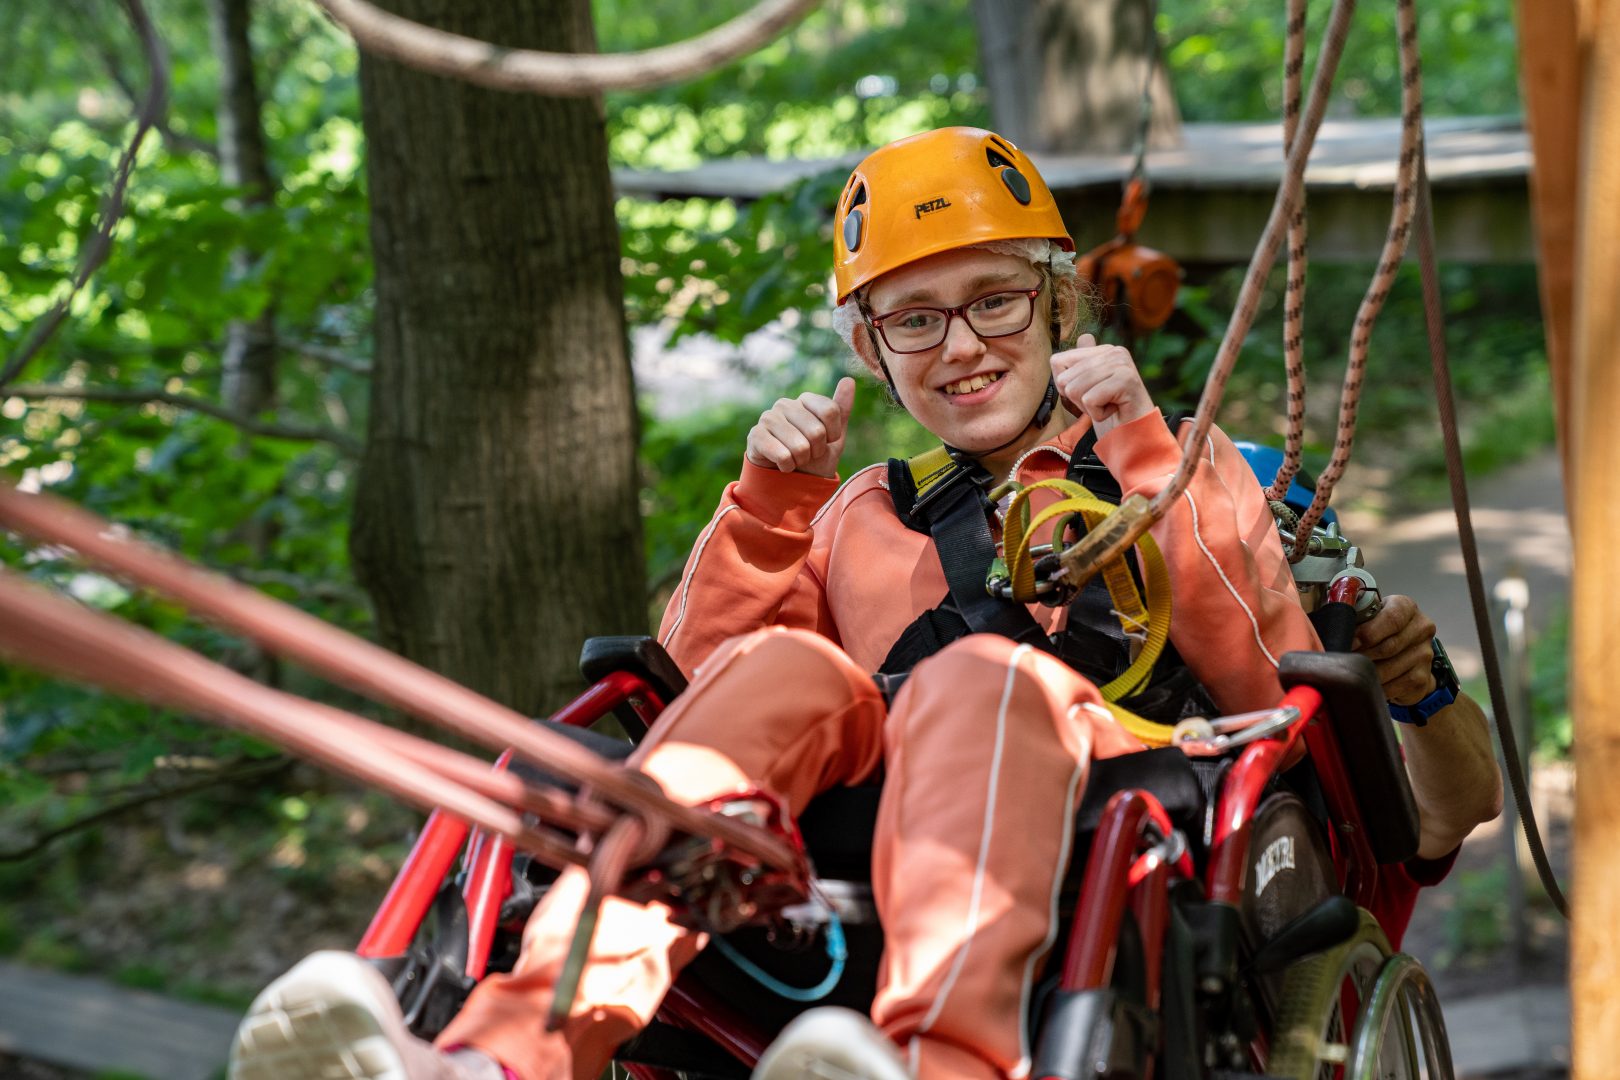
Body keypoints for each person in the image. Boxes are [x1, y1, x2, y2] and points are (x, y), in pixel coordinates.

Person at [229, 127, 1501, 1080]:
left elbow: (1261, 681)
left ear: (1062, 299)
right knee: (786, 679)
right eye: (912, 322)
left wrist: (1147, 453)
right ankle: (503, 1048)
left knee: (975, 677)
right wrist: (772, 508)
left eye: (994, 300)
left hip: (1128, 797)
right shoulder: (864, 514)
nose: (959, 347)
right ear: (870, 350)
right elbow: (693, 705)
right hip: (872, 812)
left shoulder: (1168, 462)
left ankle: (947, 1061)